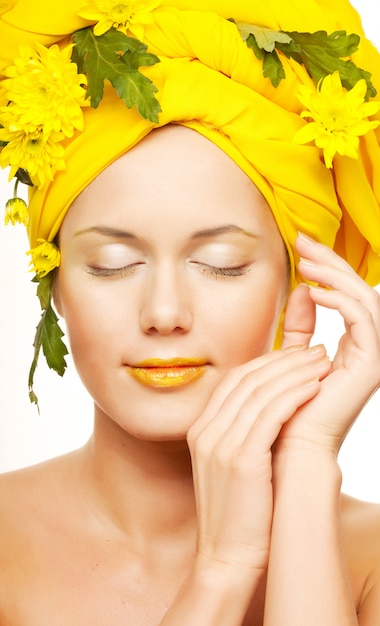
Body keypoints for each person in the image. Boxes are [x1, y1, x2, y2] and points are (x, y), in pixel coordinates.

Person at [0, 0, 379, 624]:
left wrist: (308, 464)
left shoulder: (369, 558)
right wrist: (223, 570)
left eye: (223, 262)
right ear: (56, 284)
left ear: (298, 285)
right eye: (114, 263)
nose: (165, 313)